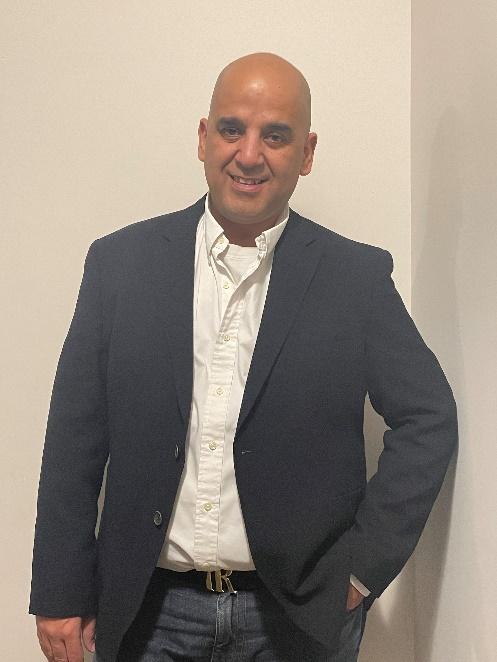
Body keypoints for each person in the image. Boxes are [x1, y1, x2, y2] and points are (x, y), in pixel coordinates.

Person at [29, 52, 457, 662]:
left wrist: (361, 572)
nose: (249, 154)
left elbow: (429, 418)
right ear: (204, 138)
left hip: (297, 621)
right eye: (232, 129)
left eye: (275, 136)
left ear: (307, 153)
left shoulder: (355, 278)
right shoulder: (120, 265)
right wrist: (60, 589)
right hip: (147, 613)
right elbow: (75, 436)